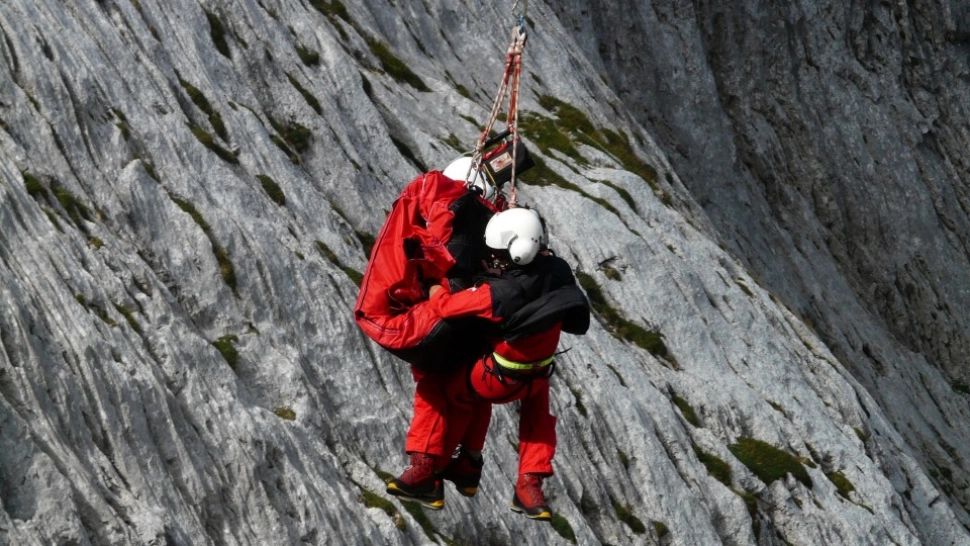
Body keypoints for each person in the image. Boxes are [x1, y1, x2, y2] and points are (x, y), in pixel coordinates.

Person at [386, 208, 590, 520]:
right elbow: (530, 275)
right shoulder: (558, 271)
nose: (493, 259)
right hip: (537, 375)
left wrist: (434, 284)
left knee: (438, 385)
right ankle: (527, 485)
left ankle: (426, 470)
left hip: (495, 379)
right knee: (536, 419)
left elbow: (446, 307)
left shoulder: (499, 294)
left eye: (498, 254)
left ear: (515, 253)